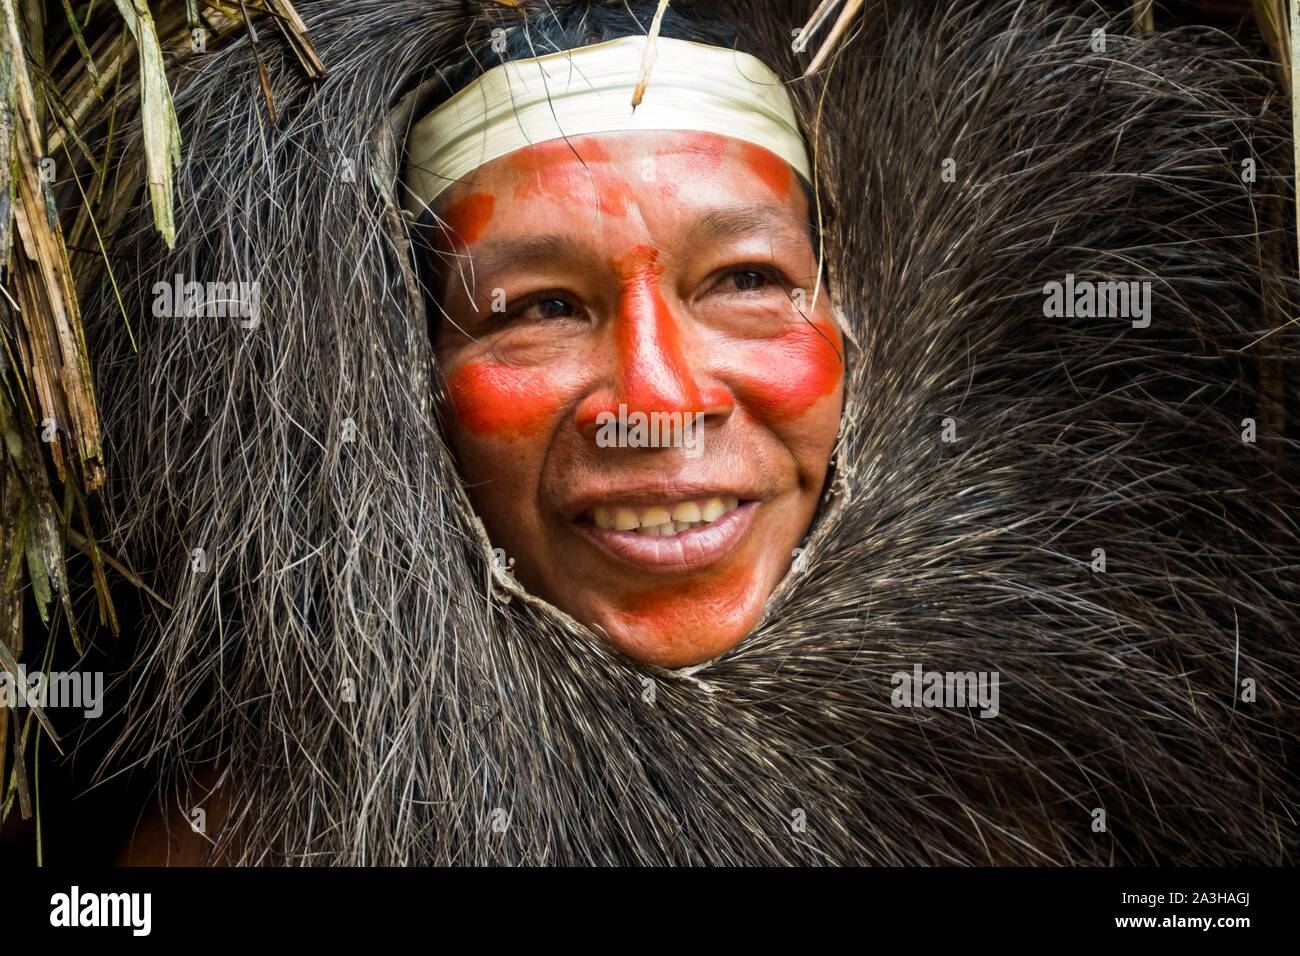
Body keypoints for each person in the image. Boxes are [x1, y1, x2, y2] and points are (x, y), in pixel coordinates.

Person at [98, 0, 1299, 865]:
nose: (656, 396)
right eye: (538, 308)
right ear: (408, 375)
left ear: (856, 324)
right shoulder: (257, 837)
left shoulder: (1042, 804)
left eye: (740, 280)